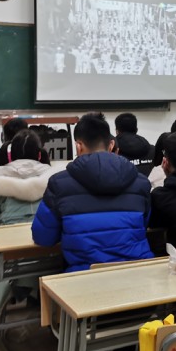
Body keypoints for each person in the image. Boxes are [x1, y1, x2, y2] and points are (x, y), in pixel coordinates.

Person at [31, 112, 153, 272]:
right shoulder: (141, 183)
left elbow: (43, 238)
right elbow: (144, 225)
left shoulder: (59, 184)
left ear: (78, 146)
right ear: (111, 145)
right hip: (140, 273)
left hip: (85, 277)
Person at [0, 130, 56, 334]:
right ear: (39, 154)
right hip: (51, 256)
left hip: (10, 260)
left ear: (10, 155)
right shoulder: (54, 177)